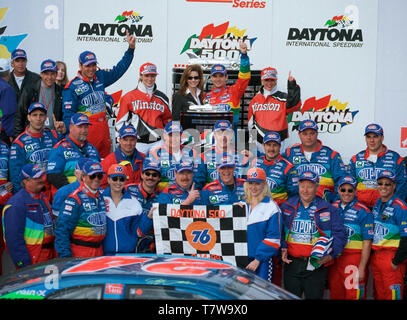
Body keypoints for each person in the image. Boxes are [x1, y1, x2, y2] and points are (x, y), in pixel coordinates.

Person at [63, 31, 136, 158]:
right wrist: (73, 140)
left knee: (105, 164)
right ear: (80, 65)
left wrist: (130, 50)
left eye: (94, 65)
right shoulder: (72, 87)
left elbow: (118, 70)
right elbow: (68, 116)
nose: (91, 69)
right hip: (86, 131)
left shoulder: (100, 77)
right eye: (87, 66)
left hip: (103, 129)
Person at [280, 171, 346, 299]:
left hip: (316, 266)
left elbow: (340, 235)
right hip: (291, 264)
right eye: (302, 186)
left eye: (309, 186)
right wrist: (282, 247)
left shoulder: (328, 209)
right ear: (298, 187)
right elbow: (278, 231)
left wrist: (331, 256)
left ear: (317, 187)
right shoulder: (287, 206)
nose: (305, 190)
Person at [2, 163, 55, 269]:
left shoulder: (43, 198)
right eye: (36, 178)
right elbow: (13, 239)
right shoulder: (16, 204)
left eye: (41, 176)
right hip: (33, 258)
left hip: (49, 255)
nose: (41, 180)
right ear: (25, 181)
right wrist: (23, 263)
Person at [329, 176, 373, 300]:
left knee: (353, 295)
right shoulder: (332, 208)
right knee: (336, 294)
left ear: (355, 191)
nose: (346, 193)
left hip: (353, 260)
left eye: (350, 190)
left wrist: (362, 267)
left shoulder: (364, 211)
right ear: (338, 190)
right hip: (334, 259)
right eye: (343, 190)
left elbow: (367, 242)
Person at [283, 119, 347, 202]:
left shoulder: (331, 155)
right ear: (299, 134)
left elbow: (341, 182)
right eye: (305, 134)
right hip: (297, 205)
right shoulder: (289, 153)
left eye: (312, 133)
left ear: (317, 133)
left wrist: (335, 202)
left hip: (324, 205)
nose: (308, 137)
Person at [115, 62, 172, 155]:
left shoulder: (163, 97)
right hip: (137, 143)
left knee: (159, 168)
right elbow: (121, 122)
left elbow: (168, 121)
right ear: (141, 76)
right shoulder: (128, 97)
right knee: (137, 168)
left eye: (152, 76)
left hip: (158, 142)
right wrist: (120, 141)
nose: (150, 79)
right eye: (147, 75)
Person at [54, 160, 107, 258]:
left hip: (99, 251)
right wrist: (66, 258)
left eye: (99, 176)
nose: (96, 179)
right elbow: (62, 231)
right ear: (83, 177)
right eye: (92, 176)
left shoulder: (101, 197)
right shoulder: (74, 199)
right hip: (80, 252)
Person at [237, 167, 282, 282]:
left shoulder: (272, 207)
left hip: (262, 261)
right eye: (251, 183)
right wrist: (232, 211)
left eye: (257, 183)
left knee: (262, 293)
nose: (253, 187)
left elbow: (274, 238)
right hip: (241, 260)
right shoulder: (240, 206)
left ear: (264, 185)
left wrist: (257, 259)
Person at [350, 123, 407, 209]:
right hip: (361, 208)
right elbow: (349, 185)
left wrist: (393, 207)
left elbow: (402, 186)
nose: (371, 140)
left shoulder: (396, 159)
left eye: (375, 136)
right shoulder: (356, 159)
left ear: (382, 138)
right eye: (368, 137)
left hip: (385, 207)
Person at [370, 170, 407, 300]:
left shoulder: (400, 207)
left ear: (394, 186)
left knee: (393, 296)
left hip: (391, 258)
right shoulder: (377, 204)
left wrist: (396, 261)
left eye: (387, 184)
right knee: (380, 295)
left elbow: (406, 237)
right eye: (380, 183)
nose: (383, 186)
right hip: (377, 257)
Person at [10, 102, 61, 194]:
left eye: (41, 115)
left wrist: (64, 132)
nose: (38, 118)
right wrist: (24, 197)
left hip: (53, 189)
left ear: (46, 117)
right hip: (33, 192)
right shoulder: (19, 143)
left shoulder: (54, 136)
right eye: (34, 115)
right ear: (29, 117)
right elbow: (16, 176)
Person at [103, 164, 153, 255]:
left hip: (127, 255)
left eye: (121, 179)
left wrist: (149, 218)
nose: (118, 182)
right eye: (115, 179)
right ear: (108, 179)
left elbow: (138, 233)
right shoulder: (100, 199)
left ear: (125, 181)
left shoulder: (134, 203)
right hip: (103, 254)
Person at [248, 67, 301, 150]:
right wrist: (251, 147)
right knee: (257, 163)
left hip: (278, 142)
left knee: (278, 162)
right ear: (262, 81)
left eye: (272, 80)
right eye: (267, 80)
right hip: (259, 143)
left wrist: (292, 86)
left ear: (276, 80)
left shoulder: (284, 98)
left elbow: (295, 106)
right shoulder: (255, 99)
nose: (269, 83)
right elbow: (250, 123)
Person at [47, 113, 100, 194]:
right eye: (80, 127)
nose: (84, 130)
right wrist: (74, 193)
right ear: (71, 127)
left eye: (86, 127)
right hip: (68, 198)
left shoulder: (92, 149)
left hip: (91, 198)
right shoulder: (59, 149)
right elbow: (53, 176)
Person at [203, 40, 250, 128]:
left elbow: (244, 78)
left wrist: (244, 55)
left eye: (221, 76)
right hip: (210, 137)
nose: (218, 79)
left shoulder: (233, 91)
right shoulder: (206, 97)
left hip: (230, 137)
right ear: (211, 78)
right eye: (215, 76)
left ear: (226, 77)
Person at [14, 59, 65, 137]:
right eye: (46, 74)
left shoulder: (61, 91)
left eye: (52, 74)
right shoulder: (30, 89)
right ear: (41, 74)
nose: (50, 77)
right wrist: (17, 137)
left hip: (53, 136)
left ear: (56, 74)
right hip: (32, 136)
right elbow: (20, 115)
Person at [196, 119, 250, 188]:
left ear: (232, 135)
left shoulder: (243, 158)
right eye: (219, 133)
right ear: (214, 135)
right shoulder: (203, 157)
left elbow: (249, 186)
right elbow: (198, 187)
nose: (223, 137)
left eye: (226, 133)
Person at [252, 131, 298, 205]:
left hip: (278, 210)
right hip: (257, 208)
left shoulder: (288, 167)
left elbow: (294, 196)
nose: (271, 149)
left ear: (280, 147)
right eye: (268, 145)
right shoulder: (255, 162)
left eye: (275, 145)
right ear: (263, 145)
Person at [148, 121, 197, 191]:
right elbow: (150, 180)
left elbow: (198, 177)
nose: (174, 138)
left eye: (177, 135)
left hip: (187, 193)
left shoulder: (192, 152)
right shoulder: (155, 153)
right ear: (165, 136)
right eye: (171, 135)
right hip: (164, 194)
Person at [127, 158, 161, 253]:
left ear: (159, 178)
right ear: (142, 175)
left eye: (154, 175)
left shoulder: (162, 196)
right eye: (147, 174)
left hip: (149, 241)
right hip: (129, 237)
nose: (150, 177)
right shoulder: (128, 189)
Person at [100, 125, 145, 189]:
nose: (128, 143)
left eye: (132, 140)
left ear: (136, 141)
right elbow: (100, 185)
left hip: (141, 197)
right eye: (125, 140)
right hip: (118, 197)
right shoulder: (109, 161)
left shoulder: (144, 158)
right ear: (120, 140)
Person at [0, 58, 17, 145]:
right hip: (3, 134)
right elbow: (7, 113)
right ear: (8, 72)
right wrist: (11, 134)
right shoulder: (7, 89)